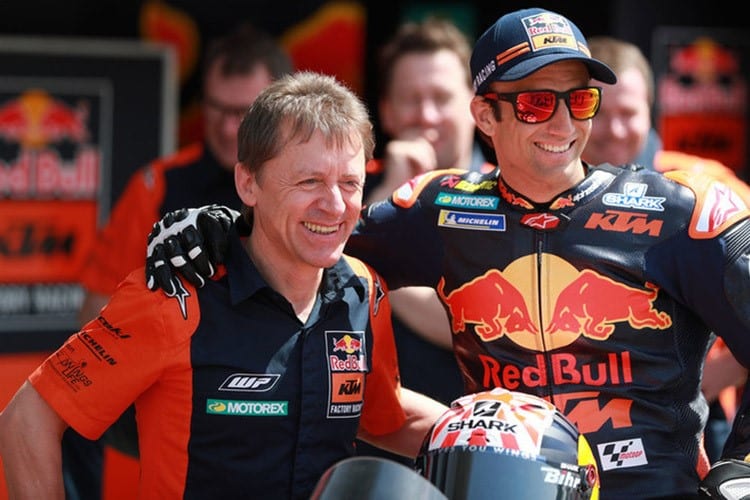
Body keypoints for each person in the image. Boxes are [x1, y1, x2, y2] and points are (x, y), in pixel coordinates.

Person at [140, 8, 750, 497]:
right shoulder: (441, 208)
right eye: (537, 102)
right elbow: (312, 240)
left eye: (579, 100)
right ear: (485, 113)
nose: (563, 123)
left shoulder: (678, 212)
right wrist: (225, 227)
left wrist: (743, 464)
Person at [0, 71, 447, 499]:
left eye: (349, 183)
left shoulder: (364, 292)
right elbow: (28, 417)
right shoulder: (175, 297)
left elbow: (384, 415)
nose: (333, 204)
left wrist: (481, 427)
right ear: (248, 183)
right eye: (309, 181)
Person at [58, 22, 296, 500]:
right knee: (67, 396)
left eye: (244, 113)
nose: (228, 127)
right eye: (217, 109)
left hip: (291, 372)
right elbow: (94, 313)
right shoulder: (160, 185)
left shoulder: (321, 185)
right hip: (183, 382)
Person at [582, 35, 750, 464]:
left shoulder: (704, 186)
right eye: (600, 113)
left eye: (628, 113)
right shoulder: (539, 195)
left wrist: (709, 377)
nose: (615, 130)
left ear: (650, 110)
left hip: (697, 421)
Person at [355, 16, 495, 465]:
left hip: (480, 457)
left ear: (475, 106)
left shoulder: (511, 196)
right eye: (411, 100)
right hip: (368, 458)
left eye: (441, 98)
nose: (427, 115)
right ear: (386, 111)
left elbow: (479, 328)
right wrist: (386, 195)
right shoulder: (347, 191)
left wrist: (364, 266)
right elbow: (313, 286)